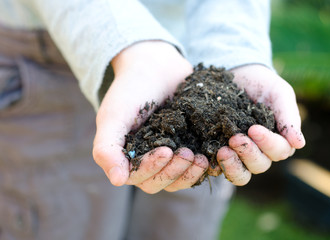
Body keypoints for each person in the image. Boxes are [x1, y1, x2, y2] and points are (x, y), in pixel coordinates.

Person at [0, 0, 305, 239]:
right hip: (49, 52)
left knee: (178, 227)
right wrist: (130, 46)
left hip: (192, 49)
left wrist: (234, 53)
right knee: (66, 223)